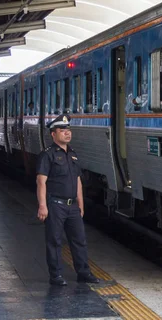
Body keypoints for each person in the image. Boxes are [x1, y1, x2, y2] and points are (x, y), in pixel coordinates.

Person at [36, 114, 99, 286]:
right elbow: (41, 181)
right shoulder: (47, 155)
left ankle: (83, 272)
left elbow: (77, 180)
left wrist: (81, 204)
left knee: (79, 240)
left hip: (72, 206)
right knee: (55, 241)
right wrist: (42, 206)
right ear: (53, 134)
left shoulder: (73, 154)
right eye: (62, 130)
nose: (67, 133)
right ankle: (55, 275)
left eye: (68, 130)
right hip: (55, 204)